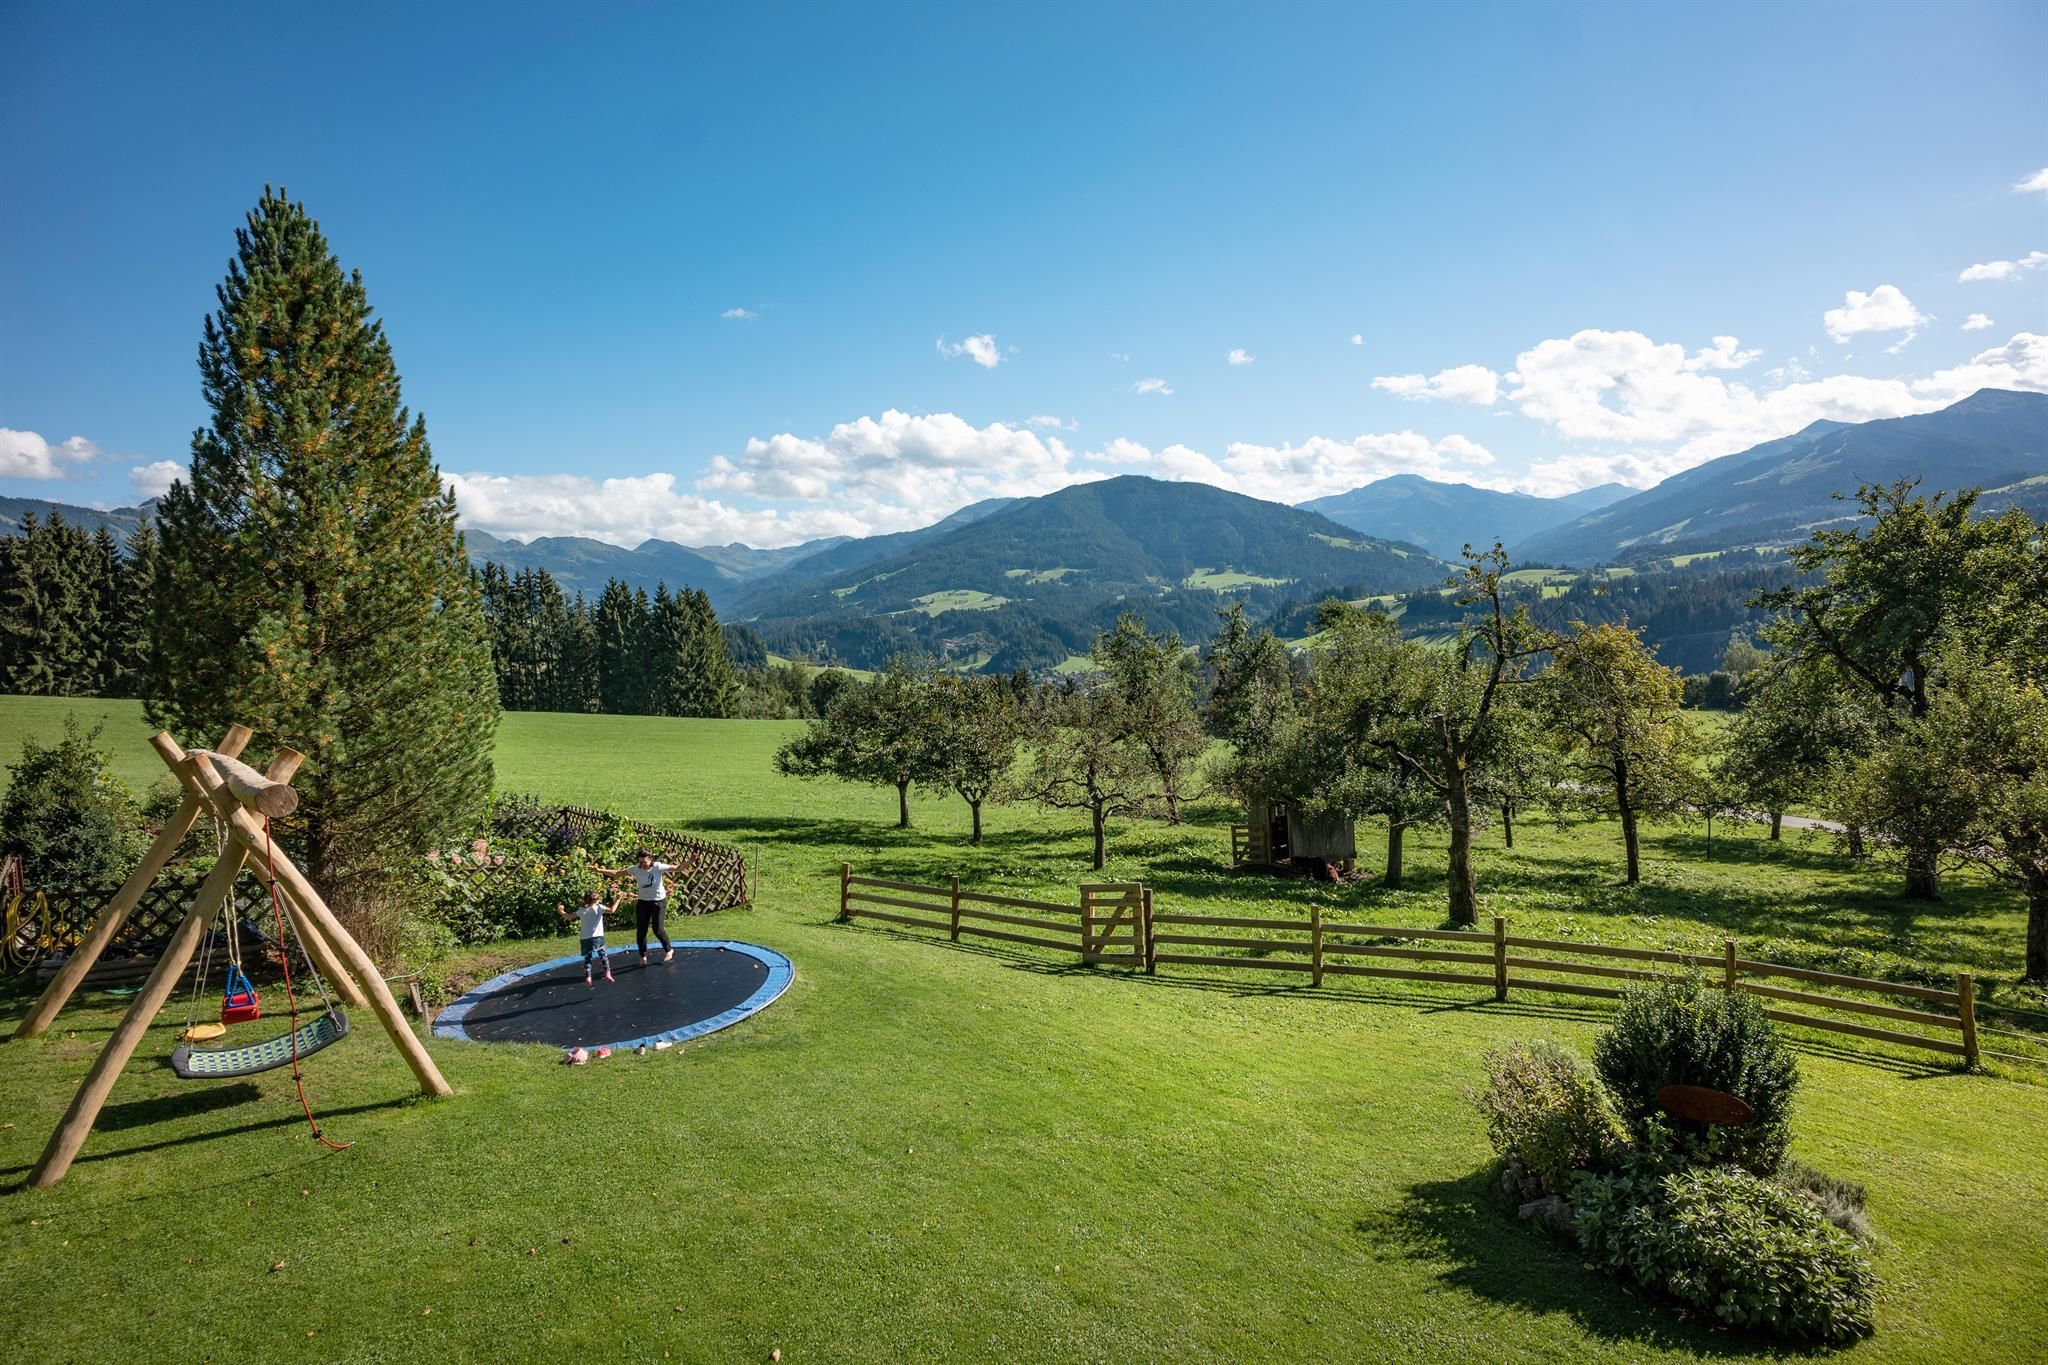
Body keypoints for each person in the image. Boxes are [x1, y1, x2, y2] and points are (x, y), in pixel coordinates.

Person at [589, 849, 676, 964]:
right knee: (641, 931)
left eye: (644, 862)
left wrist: (691, 860)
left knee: (658, 930)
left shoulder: (658, 867)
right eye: (640, 862)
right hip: (643, 902)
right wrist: (599, 870)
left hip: (658, 902)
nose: (642, 864)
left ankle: (668, 950)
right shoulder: (636, 869)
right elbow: (617, 873)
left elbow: (678, 868)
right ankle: (643, 956)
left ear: (650, 859)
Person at [557, 888, 621, 985]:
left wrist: (561, 911)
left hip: (585, 938)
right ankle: (607, 973)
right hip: (598, 937)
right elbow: (612, 910)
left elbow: (569, 917)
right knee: (603, 955)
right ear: (597, 900)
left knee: (588, 958)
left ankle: (588, 977)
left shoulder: (582, 910)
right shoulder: (600, 907)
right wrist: (618, 899)